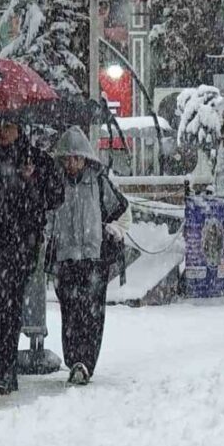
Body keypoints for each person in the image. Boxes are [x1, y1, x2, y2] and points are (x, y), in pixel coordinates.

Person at [0, 121, 64, 394]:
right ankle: (3, 365)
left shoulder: (35, 159)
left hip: (21, 244)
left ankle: (7, 368)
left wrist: (33, 180)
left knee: (10, 303)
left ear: (19, 128)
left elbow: (55, 196)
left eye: (8, 127)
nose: (1, 132)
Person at [49, 127, 130, 385]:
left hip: (94, 259)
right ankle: (74, 361)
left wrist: (114, 229)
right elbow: (47, 216)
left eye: (76, 158)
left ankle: (86, 363)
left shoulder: (98, 182)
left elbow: (122, 211)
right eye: (67, 158)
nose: (71, 163)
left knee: (92, 315)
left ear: (85, 158)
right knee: (70, 314)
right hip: (65, 259)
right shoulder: (55, 184)